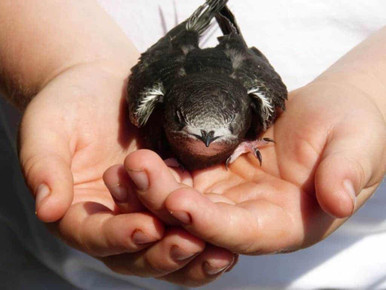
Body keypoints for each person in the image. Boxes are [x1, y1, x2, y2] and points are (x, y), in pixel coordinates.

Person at [0, 0, 385, 289]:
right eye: (190, 127)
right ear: (170, 115)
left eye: (223, 133)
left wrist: (368, 95)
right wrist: (63, 66)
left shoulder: (257, 97)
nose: (207, 139)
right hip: (46, 269)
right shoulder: (151, 97)